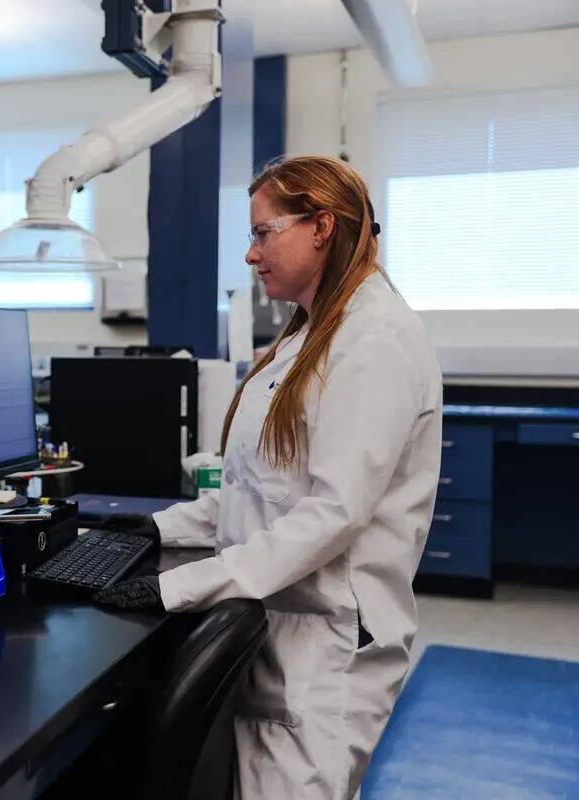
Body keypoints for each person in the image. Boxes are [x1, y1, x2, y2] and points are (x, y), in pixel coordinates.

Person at [94, 156, 443, 799]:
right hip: (284, 629)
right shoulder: (309, 332)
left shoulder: (374, 340)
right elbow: (265, 486)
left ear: (320, 227)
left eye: (262, 233)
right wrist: (156, 526)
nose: (251, 255)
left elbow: (332, 514)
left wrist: (183, 585)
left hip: (325, 653)